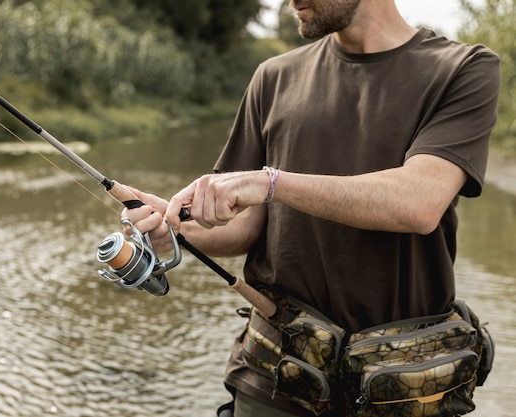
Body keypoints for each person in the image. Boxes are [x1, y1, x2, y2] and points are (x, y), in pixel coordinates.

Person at [123, 0, 501, 416]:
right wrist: (177, 229)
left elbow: (419, 202)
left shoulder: (464, 68)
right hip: (272, 380)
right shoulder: (273, 77)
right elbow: (247, 226)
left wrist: (271, 182)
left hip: (404, 391)